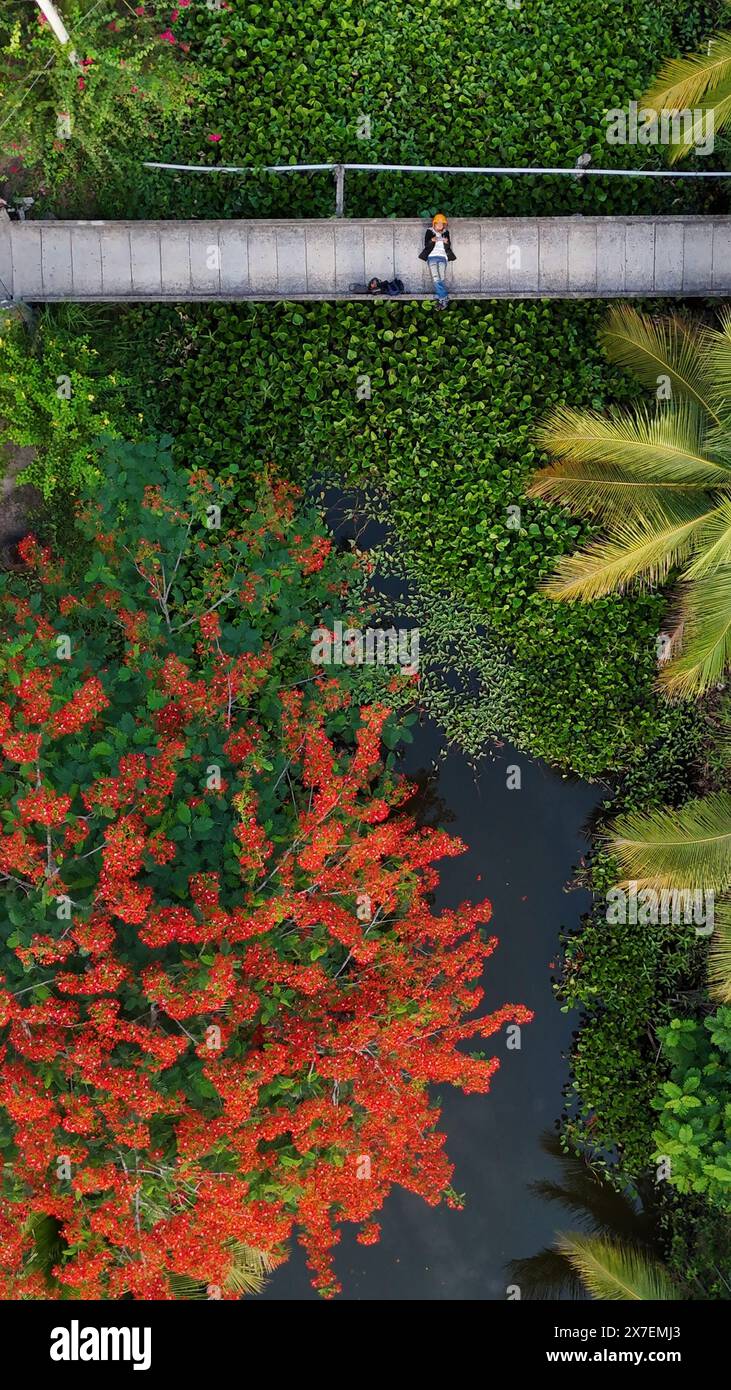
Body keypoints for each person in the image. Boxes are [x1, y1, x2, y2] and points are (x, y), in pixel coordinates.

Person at [418, 213, 455, 308]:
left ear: (444, 225)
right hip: (432, 256)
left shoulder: (446, 232)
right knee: (435, 277)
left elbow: (448, 247)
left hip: (443, 257)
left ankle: (442, 297)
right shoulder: (429, 231)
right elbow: (427, 245)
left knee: (441, 277)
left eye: (441, 224)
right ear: (434, 224)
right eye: (438, 223)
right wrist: (432, 241)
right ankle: (443, 297)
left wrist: (446, 242)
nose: (439, 225)